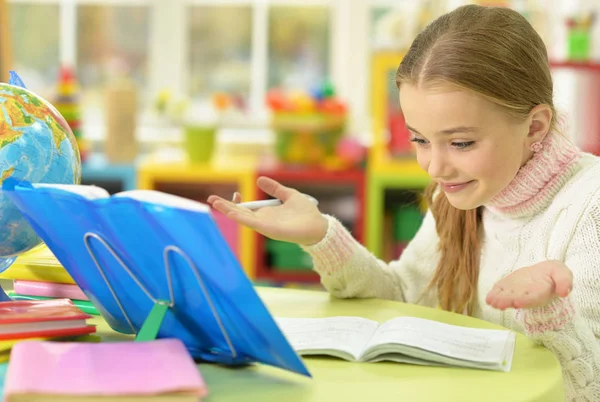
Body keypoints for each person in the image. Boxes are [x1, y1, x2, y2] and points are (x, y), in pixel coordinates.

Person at [208, 4, 600, 401]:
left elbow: (591, 387)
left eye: (461, 143)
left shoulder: (590, 206)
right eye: (420, 140)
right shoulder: (461, 194)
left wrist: (549, 310)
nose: (435, 167)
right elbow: (400, 296)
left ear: (534, 127)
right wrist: (320, 235)